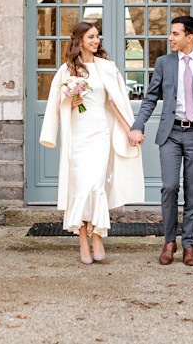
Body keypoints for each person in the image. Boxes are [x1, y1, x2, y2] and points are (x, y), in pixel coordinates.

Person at [40, 22, 145, 265]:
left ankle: (98, 236)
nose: (96, 40)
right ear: (79, 40)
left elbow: (115, 103)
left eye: (97, 36)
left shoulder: (107, 68)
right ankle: (82, 240)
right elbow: (55, 105)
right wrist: (71, 101)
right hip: (77, 135)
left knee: (96, 184)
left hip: (99, 132)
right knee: (80, 187)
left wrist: (132, 129)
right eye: (90, 37)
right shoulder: (66, 71)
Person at [130, 16, 193, 266]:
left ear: (189, 37)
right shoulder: (164, 63)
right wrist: (137, 125)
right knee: (170, 187)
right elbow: (151, 97)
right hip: (170, 133)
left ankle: (189, 246)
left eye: (175, 34)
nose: (170, 38)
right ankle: (169, 242)